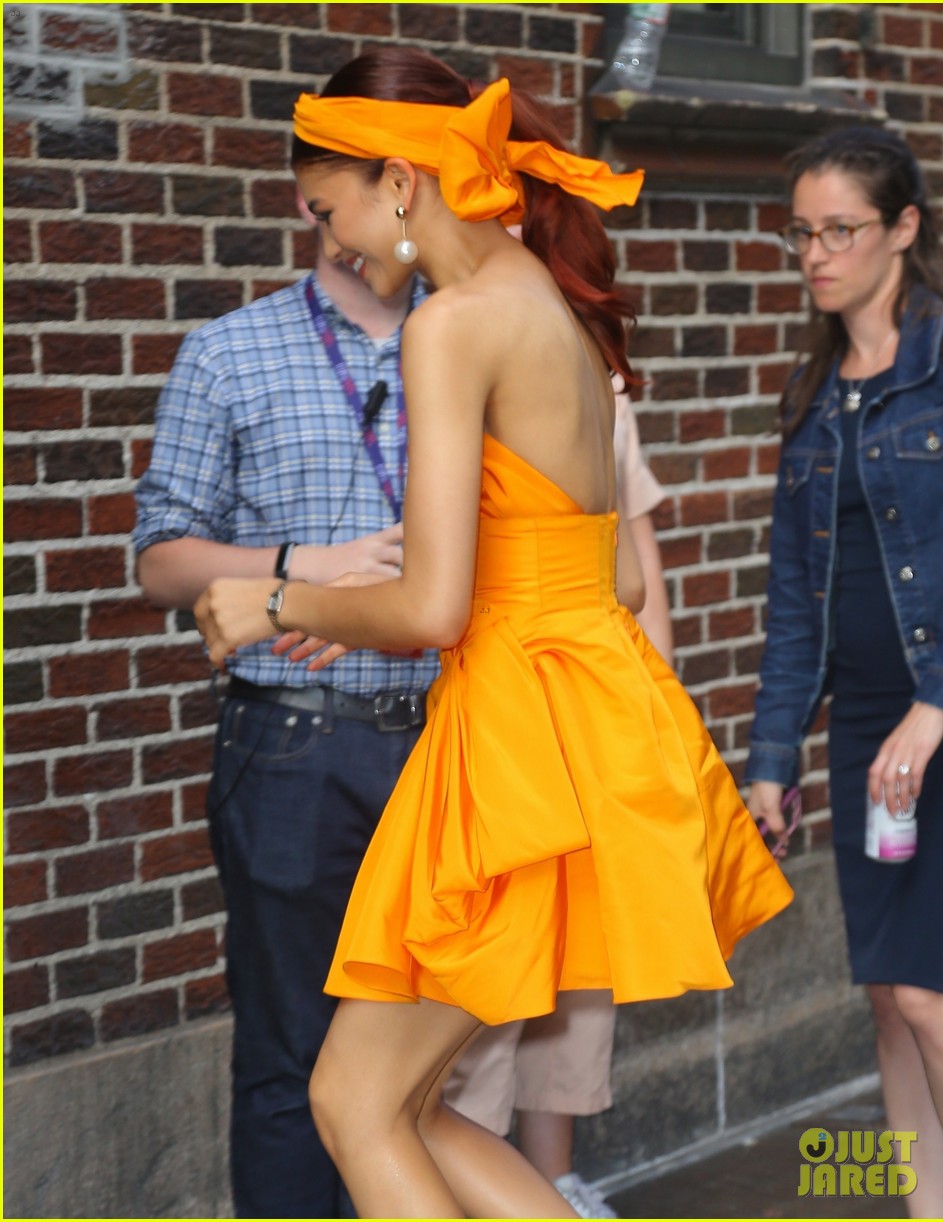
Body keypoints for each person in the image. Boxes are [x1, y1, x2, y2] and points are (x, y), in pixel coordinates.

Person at [195, 47, 793, 1219]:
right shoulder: (547, 307)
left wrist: (272, 602)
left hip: (513, 746)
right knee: (403, 1106)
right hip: (571, 724)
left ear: (403, 181)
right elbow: (609, 573)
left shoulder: (451, 323)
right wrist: (361, 608)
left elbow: (431, 607)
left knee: (355, 1105)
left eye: (331, 208)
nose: (330, 241)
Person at [133, 196, 439, 1217]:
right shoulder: (228, 351)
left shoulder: (469, 332)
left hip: (454, 746)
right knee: (291, 1060)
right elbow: (163, 560)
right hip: (298, 749)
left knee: (429, 1074)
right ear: (321, 209)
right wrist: (311, 570)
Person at [745, 127, 943, 1218]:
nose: (813, 254)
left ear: (902, 230)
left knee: (932, 1001)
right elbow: (794, 607)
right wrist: (770, 758)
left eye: (839, 230)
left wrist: (935, 705)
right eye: (799, 232)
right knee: (888, 999)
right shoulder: (813, 393)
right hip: (868, 724)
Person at [445, 390, 673, 1221]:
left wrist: (656, 721)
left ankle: (554, 1186)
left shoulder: (593, 377)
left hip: (580, 706)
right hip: (490, 712)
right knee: (486, 982)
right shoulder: (450, 349)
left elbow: (633, 560)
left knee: (577, 973)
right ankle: (481, 1189)